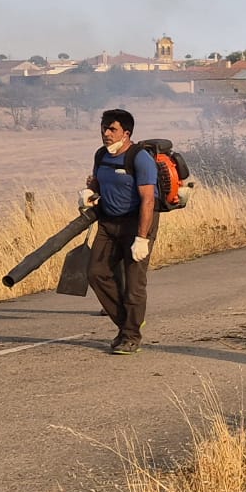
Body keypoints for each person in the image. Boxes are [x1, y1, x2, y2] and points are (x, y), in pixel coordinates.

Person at [85, 108, 159, 355]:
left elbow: (148, 200)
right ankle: (129, 322)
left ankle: (130, 336)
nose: (106, 133)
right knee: (96, 272)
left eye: (112, 129)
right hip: (108, 222)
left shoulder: (140, 158)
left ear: (126, 133)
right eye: (104, 127)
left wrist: (142, 238)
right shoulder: (101, 155)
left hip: (137, 223)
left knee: (134, 282)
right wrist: (89, 191)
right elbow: (98, 182)